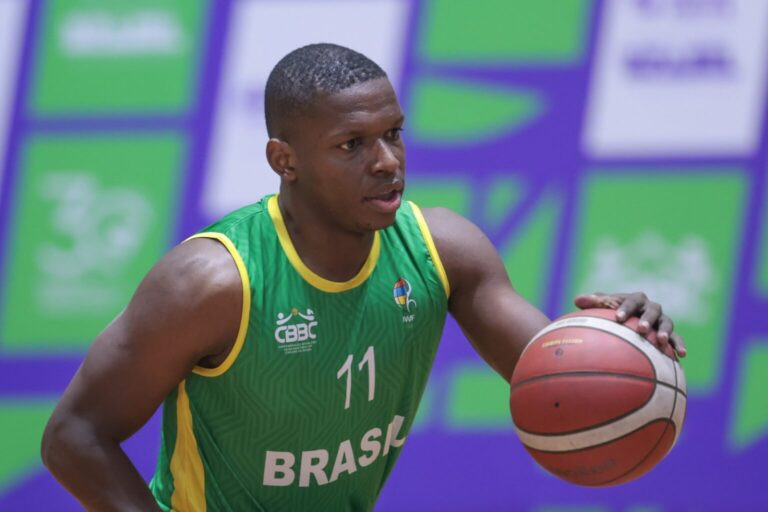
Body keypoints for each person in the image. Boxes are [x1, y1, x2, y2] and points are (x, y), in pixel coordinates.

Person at [40, 43, 686, 511]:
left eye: (393, 134)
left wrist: (619, 338)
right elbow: (74, 437)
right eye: (352, 144)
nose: (386, 162)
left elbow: (556, 378)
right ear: (284, 160)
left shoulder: (444, 251)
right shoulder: (215, 283)